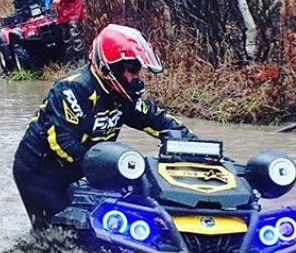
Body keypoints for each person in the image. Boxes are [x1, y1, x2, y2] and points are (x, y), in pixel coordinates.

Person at [13, 23, 194, 230]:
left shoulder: (124, 96)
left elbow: (157, 120)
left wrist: (193, 146)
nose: (137, 76)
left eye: (139, 69)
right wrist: (106, 170)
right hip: (40, 172)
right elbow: (61, 142)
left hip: (84, 166)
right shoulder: (73, 89)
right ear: (111, 68)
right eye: (133, 69)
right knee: (58, 232)